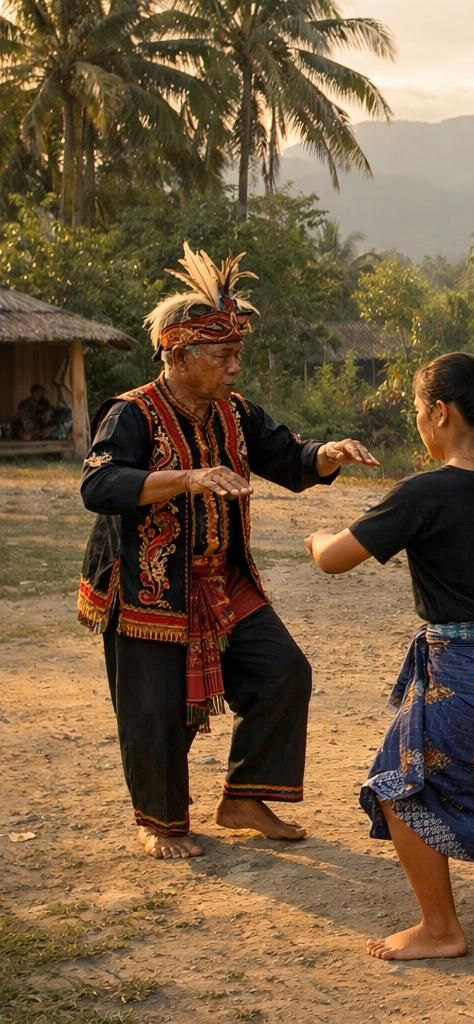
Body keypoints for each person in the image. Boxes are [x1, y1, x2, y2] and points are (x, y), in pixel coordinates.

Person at [77, 243, 378, 860]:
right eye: (223, 356)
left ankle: (244, 796)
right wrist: (184, 479)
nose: (234, 368)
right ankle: (159, 822)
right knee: (156, 708)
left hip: (222, 577)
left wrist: (328, 453)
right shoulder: (131, 414)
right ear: (180, 355)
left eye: (237, 354)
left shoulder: (234, 412)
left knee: (282, 671)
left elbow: (287, 455)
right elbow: (98, 484)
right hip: (147, 587)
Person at [306, 352, 474, 961]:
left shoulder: (425, 493)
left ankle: (440, 928)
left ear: (441, 413)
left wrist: (316, 537)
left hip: (465, 668)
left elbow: (333, 559)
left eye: (417, 412)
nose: (418, 424)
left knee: (400, 786)